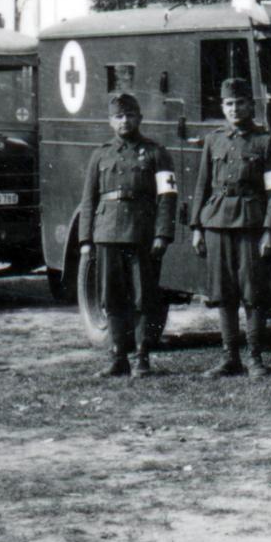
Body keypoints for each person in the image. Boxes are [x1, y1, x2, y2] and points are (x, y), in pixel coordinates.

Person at [192, 76, 271, 377]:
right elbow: (203, 184)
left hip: (251, 222)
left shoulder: (265, 142)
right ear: (223, 107)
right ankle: (229, 357)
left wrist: (269, 230)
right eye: (229, 104)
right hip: (217, 222)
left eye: (240, 103)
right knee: (224, 293)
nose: (235, 109)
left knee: (253, 293)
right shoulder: (214, 140)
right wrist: (196, 226)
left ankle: (255, 358)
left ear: (251, 105)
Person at [78, 93, 177, 378]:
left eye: (130, 116)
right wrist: (86, 240)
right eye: (119, 116)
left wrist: (163, 234)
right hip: (107, 232)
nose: (125, 121)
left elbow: (168, 197)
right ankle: (118, 356)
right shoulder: (100, 154)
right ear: (110, 121)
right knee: (112, 297)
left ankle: (142, 357)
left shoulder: (157, 153)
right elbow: (88, 200)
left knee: (144, 296)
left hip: (142, 232)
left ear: (139, 119)